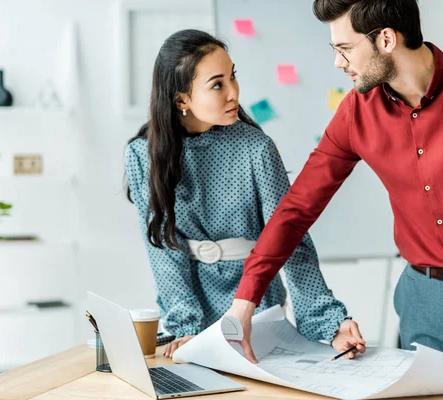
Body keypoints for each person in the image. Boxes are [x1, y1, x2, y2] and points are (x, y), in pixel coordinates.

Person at [225, 0, 443, 384]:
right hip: (421, 302)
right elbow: (296, 209)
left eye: (345, 49)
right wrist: (244, 302)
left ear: (385, 39)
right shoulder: (356, 113)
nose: (338, 63)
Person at [124, 29, 366, 359]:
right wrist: (185, 328)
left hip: (257, 309)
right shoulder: (143, 155)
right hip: (191, 315)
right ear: (181, 100)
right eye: (217, 84)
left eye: (232, 76)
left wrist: (329, 322)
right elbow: (164, 254)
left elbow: (290, 239)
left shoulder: (256, 148)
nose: (233, 92)